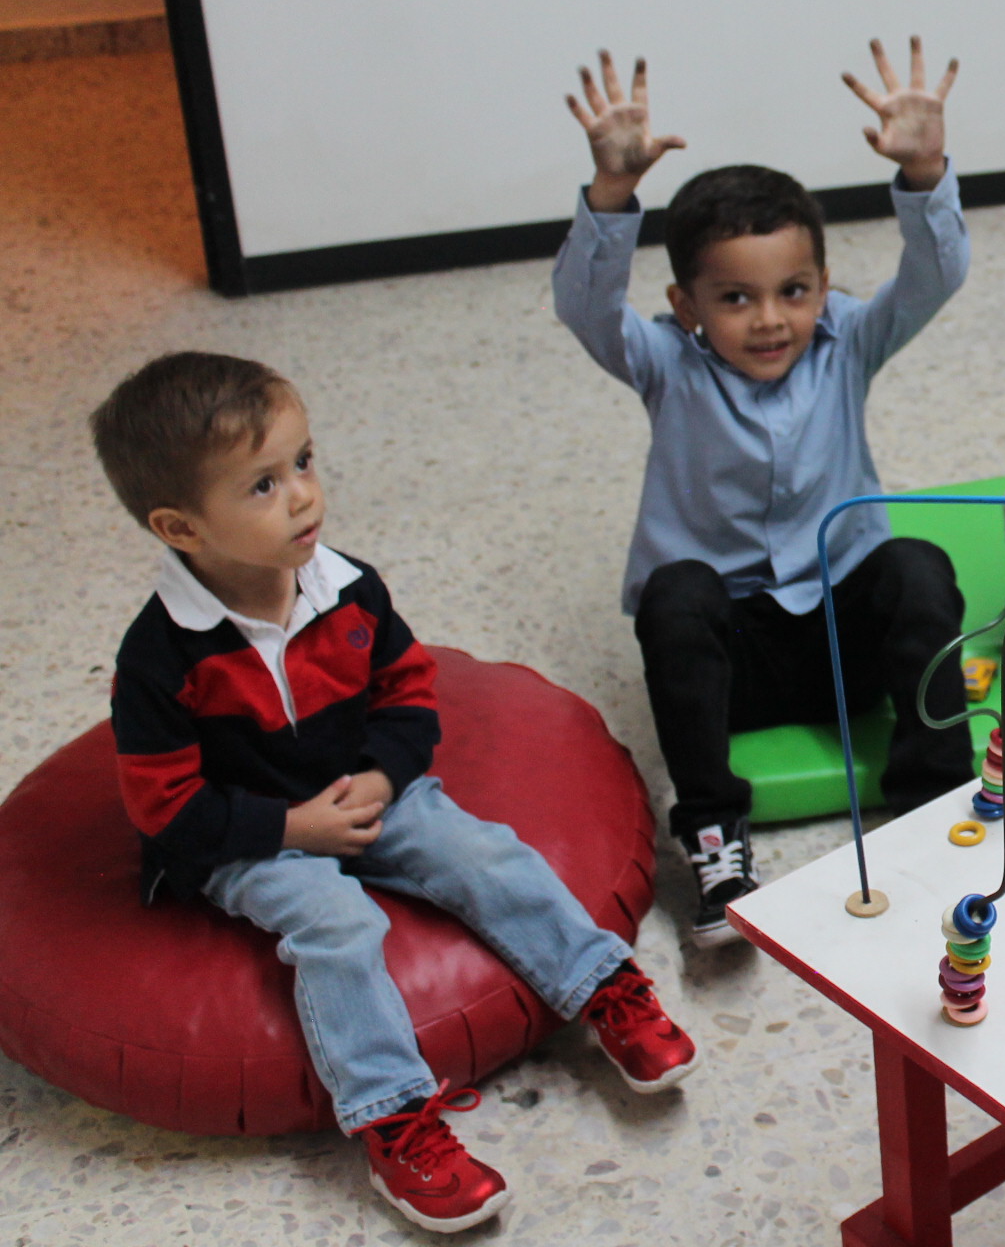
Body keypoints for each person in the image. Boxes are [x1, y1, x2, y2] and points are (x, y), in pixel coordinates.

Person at [93, 352, 697, 1235]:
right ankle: (393, 1122)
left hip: (368, 790)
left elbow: (408, 696)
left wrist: (382, 777)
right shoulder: (159, 657)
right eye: (262, 485)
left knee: (482, 853)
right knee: (339, 926)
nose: (303, 494)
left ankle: (603, 988)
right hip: (247, 836)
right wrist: (291, 826)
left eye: (303, 462)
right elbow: (165, 807)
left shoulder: (349, 586)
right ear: (181, 528)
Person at [554, 42, 975, 946]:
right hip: (733, 662)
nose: (773, 318)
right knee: (676, 594)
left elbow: (936, 274)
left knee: (918, 568)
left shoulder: (852, 337)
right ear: (686, 305)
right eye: (737, 299)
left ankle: (939, 805)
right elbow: (586, 309)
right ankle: (714, 834)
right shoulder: (663, 360)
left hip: (840, 640)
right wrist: (612, 193)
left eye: (794, 290)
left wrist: (924, 170)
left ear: (825, 284)